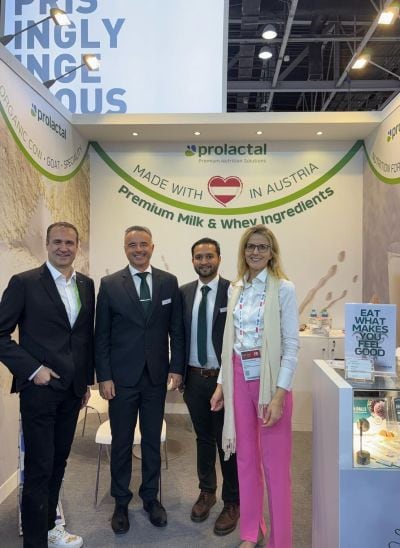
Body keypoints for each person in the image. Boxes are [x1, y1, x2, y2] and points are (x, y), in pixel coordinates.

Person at [0, 222, 95, 548]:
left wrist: (85, 382)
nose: (63, 248)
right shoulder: (25, 283)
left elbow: (83, 338)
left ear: (77, 246)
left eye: (70, 242)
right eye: (57, 242)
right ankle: (35, 542)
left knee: (58, 463)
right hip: (39, 391)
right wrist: (33, 369)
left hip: (72, 392)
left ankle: (52, 527)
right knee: (39, 468)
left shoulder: (86, 284)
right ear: (47, 244)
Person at [211, 225, 299, 548]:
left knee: (275, 467)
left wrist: (279, 395)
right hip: (238, 376)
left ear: (272, 252)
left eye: (262, 247)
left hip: (270, 382)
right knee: (246, 460)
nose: (256, 252)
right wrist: (222, 385)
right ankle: (250, 531)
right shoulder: (236, 288)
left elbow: (291, 346)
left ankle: (280, 540)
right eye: (251, 246)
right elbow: (230, 343)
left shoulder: (283, 288)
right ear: (243, 251)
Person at [95, 225, 184, 534]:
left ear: (152, 247)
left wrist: (177, 367)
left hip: (155, 378)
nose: (138, 249)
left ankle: (150, 498)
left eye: (143, 244)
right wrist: (104, 376)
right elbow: (101, 336)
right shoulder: (109, 285)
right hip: (121, 379)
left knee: (151, 441)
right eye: (132, 245)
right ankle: (120, 501)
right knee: (121, 442)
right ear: (125, 249)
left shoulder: (168, 282)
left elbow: (177, 330)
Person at [180, 238, 239, 536]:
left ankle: (233, 501)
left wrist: (224, 382)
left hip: (224, 380)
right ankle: (207, 492)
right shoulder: (184, 293)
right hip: (194, 379)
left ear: (219, 258)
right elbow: (178, 335)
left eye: (209, 256)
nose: (204, 261)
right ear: (192, 260)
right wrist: (177, 372)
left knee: (227, 441)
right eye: (199, 257)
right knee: (203, 438)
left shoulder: (234, 291)